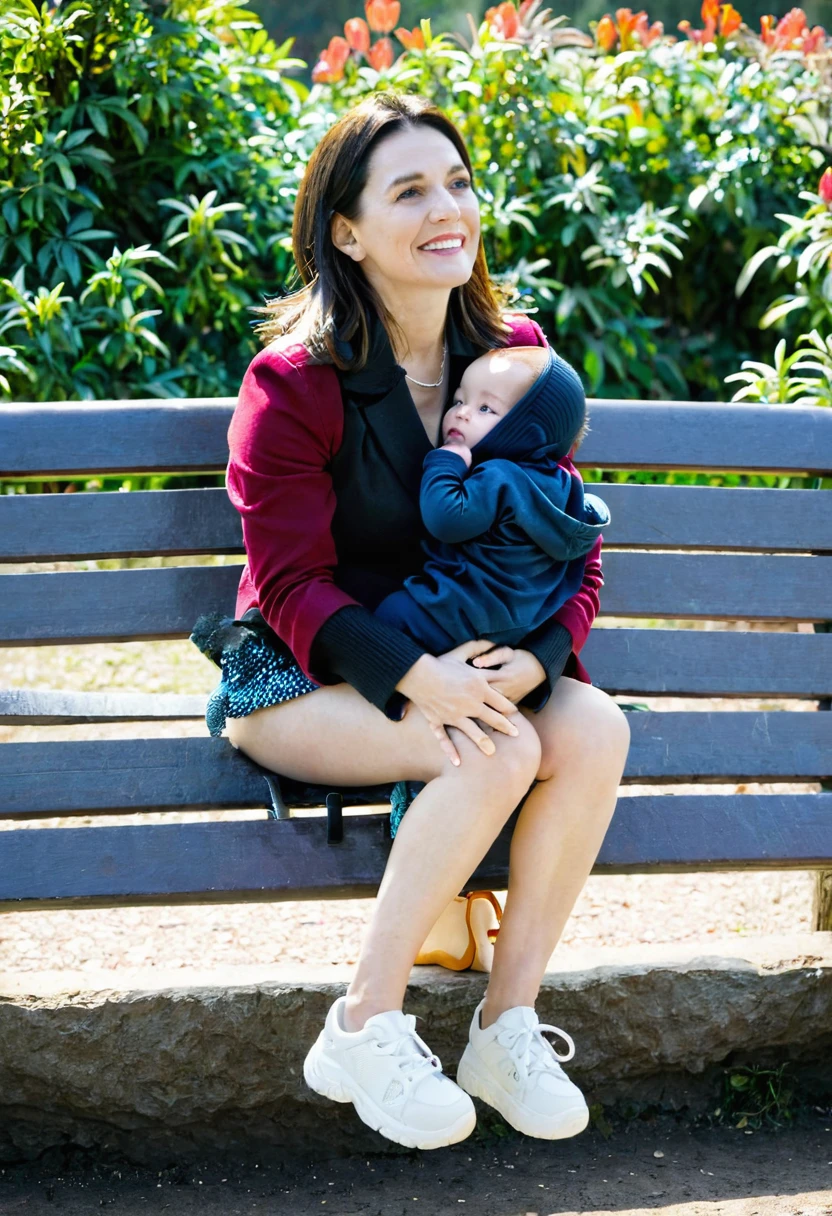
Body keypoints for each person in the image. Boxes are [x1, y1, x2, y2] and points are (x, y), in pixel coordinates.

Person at [193, 91, 631, 1152]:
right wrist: (415, 678)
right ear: (346, 231)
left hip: (475, 664)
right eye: (408, 191)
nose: (448, 209)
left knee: (591, 726)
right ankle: (362, 1021)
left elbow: (572, 542)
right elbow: (289, 585)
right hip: (301, 676)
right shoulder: (294, 383)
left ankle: (504, 1023)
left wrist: (537, 662)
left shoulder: (516, 362)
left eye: (458, 182)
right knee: (488, 748)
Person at [374, 341, 611, 657]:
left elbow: (445, 520)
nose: (462, 414)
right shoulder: (563, 486)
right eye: (459, 400)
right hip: (523, 626)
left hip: (462, 612)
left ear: (529, 431)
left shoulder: (499, 476)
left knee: (392, 614)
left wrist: (444, 462)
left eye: (485, 408)